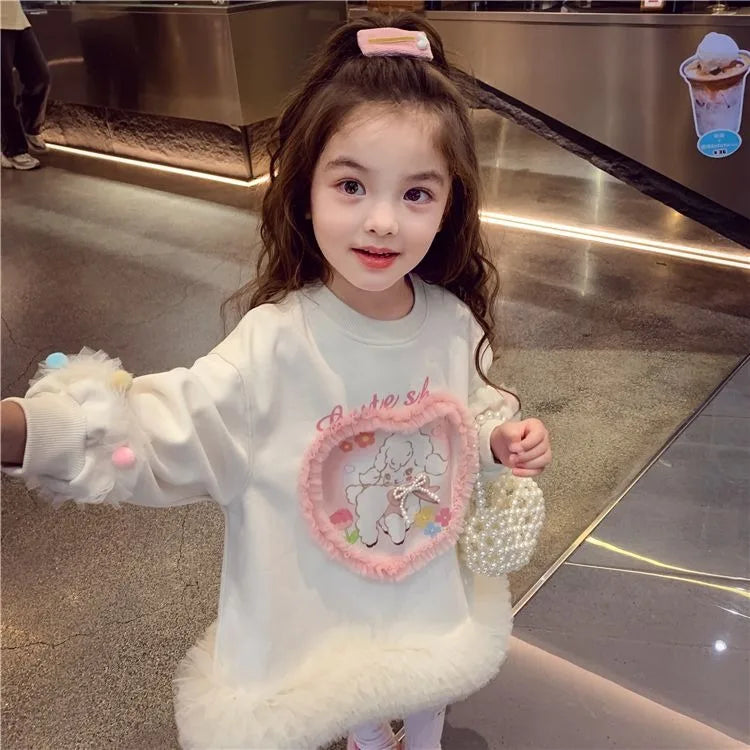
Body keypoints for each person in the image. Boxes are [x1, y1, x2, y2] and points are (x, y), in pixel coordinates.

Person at [0, 13, 551, 750]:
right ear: (305, 189)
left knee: (427, 692)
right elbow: (169, 426)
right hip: (323, 604)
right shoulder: (274, 345)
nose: (383, 222)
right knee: (351, 693)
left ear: (451, 203)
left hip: (422, 589)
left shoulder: (452, 323)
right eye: (351, 185)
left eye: (417, 194)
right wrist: (32, 429)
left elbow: (462, 421)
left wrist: (497, 442)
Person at [1, 0, 50, 170]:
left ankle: (29, 128)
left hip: (17, 19)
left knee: (40, 77)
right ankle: (12, 149)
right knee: (4, 89)